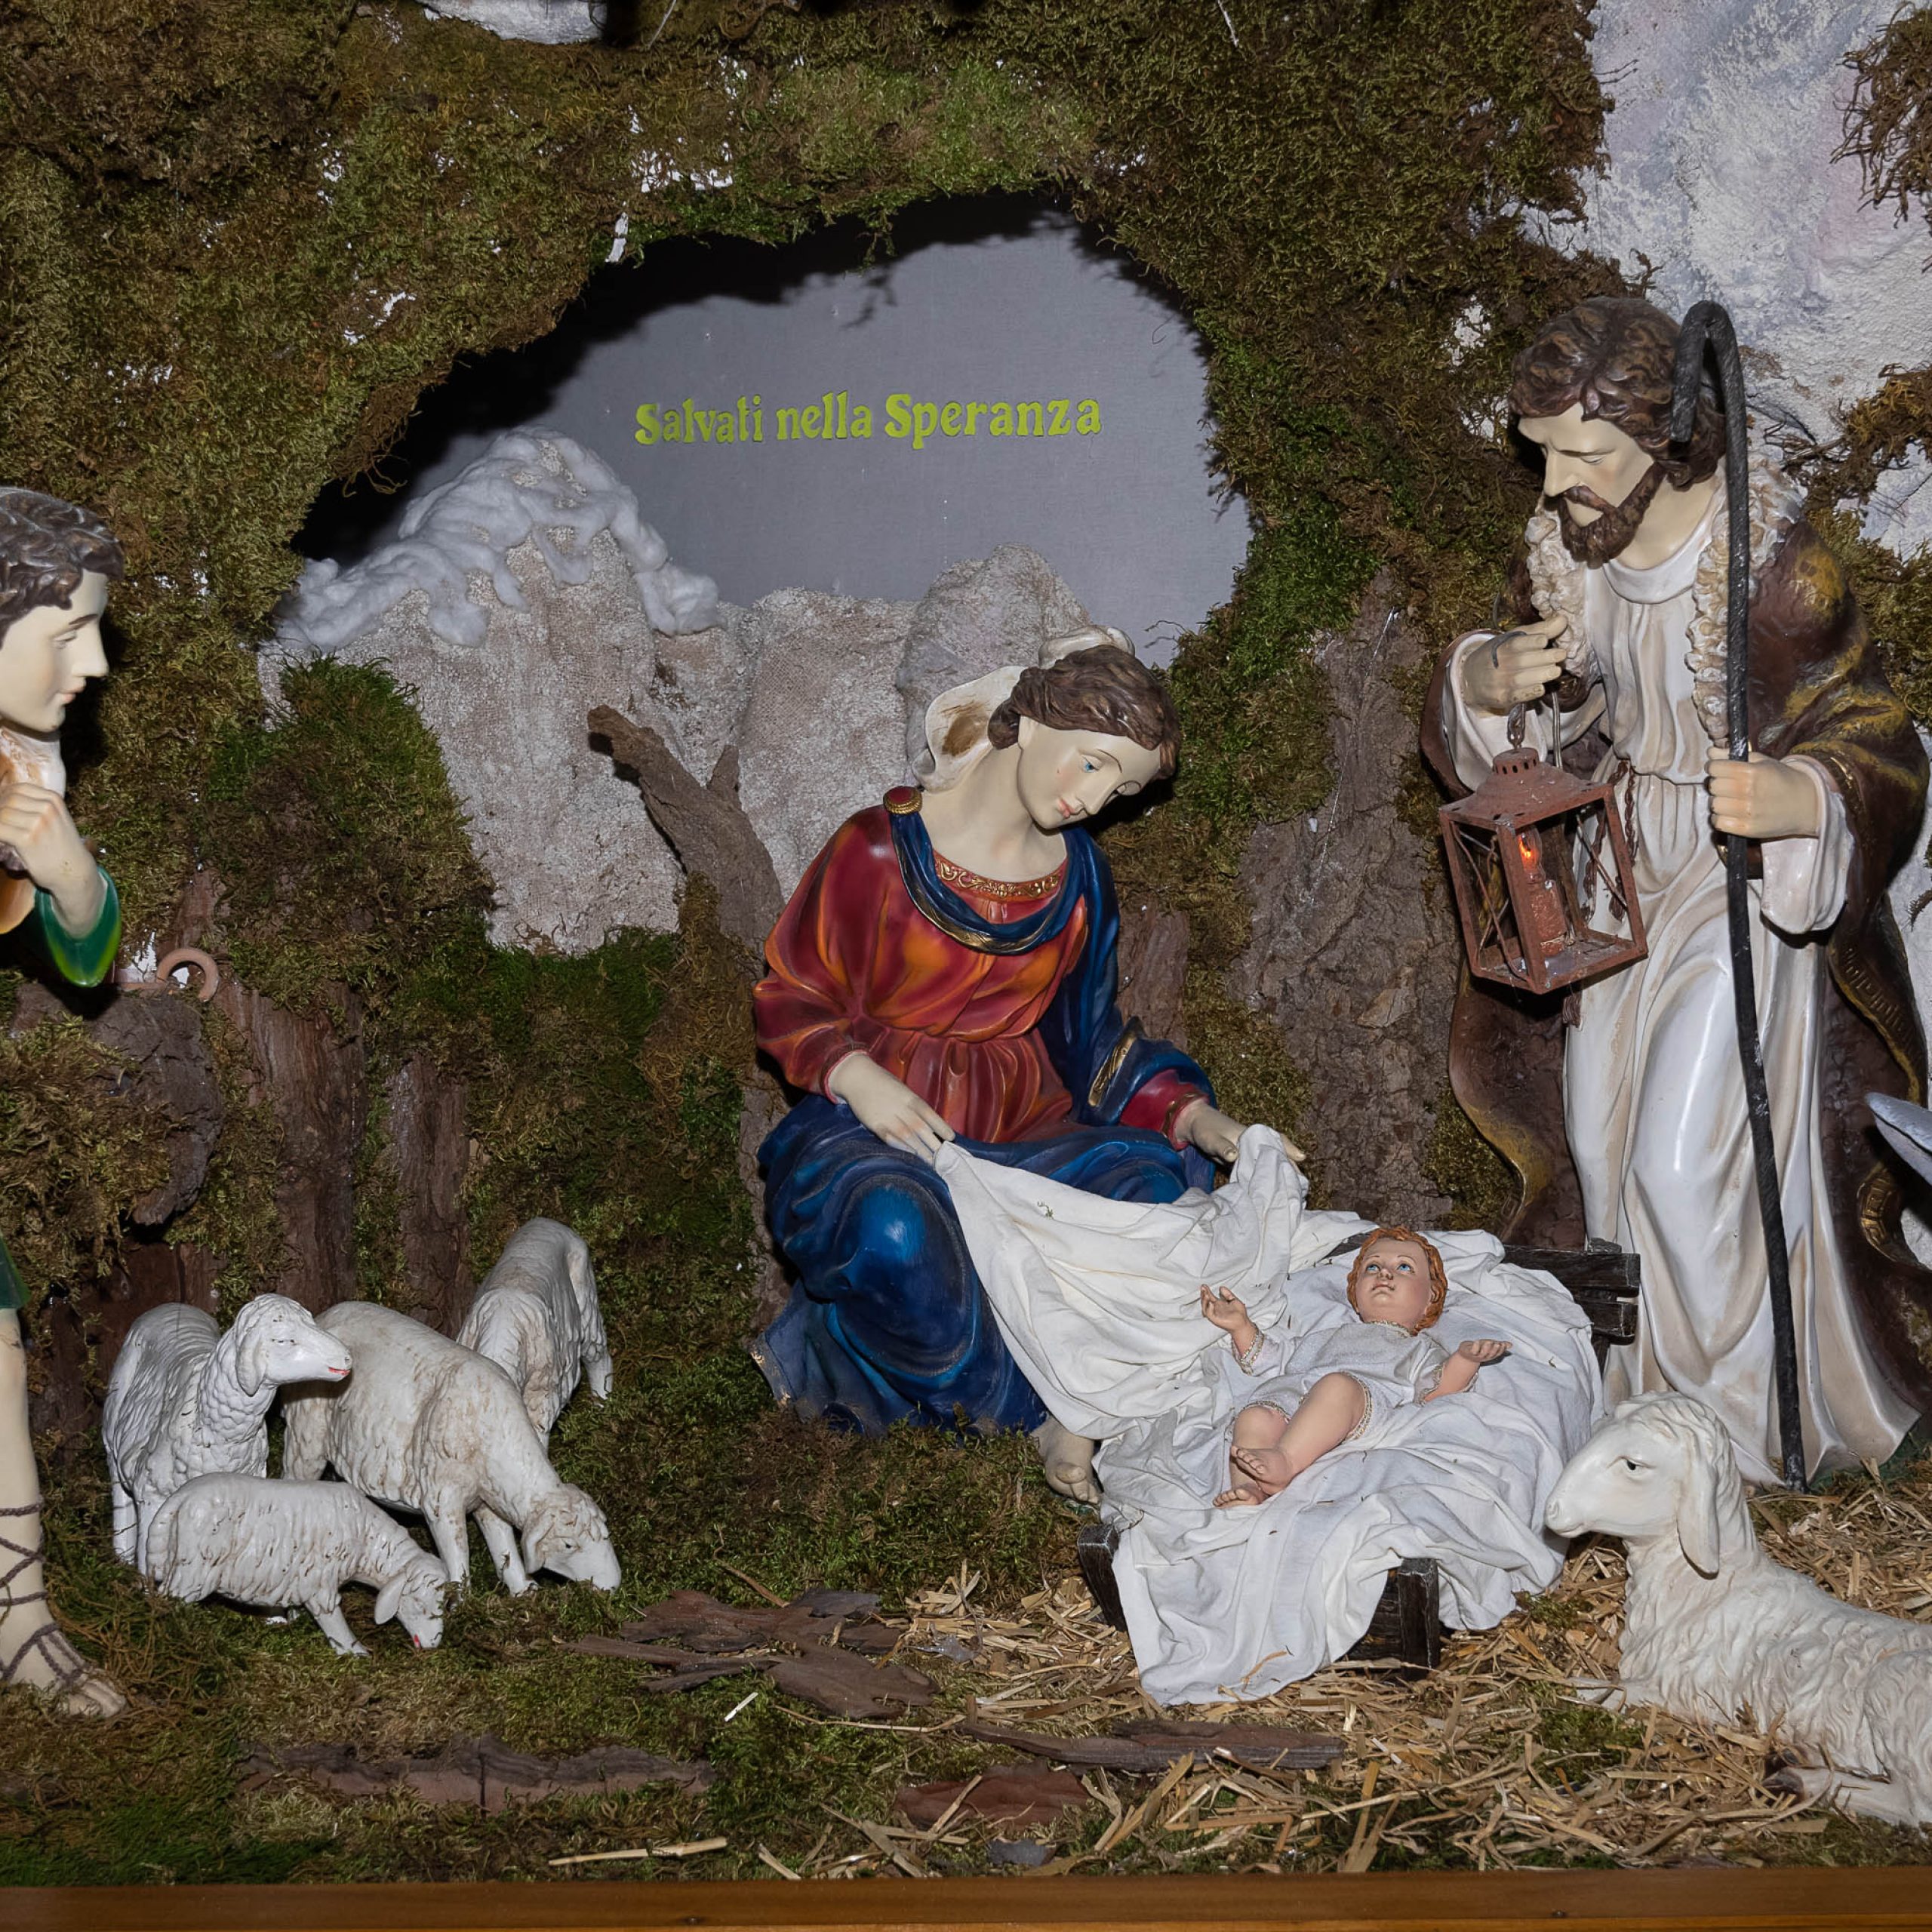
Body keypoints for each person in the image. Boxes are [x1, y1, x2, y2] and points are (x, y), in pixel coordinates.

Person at [1421, 296, 1930, 1484]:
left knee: (1682, 1161)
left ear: (1671, 442)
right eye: (1545, 455)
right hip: (1616, 869)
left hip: (1739, 885)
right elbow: (1522, 711)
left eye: (1584, 457)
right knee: (1603, 1149)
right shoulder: (1565, 553)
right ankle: (1641, 1408)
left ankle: (1731, 1430)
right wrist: (1487, 682)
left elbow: (1878, 734)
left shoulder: (1774, 570)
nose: (1556, 485)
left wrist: (1801, 794)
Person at [752, 631, 1294, 1498]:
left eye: (1119, 790)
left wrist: (1190, 1113)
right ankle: (1014, 1411)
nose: (1094, 799)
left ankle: (1083, 1405)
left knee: (1154, 1199)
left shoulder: (1078, 879)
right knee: (893, 1231)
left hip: (1025, 1129)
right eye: (1092, 764)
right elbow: (792, 995)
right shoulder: (879, 849)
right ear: (1031, 723)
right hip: (885, 1126)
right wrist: (854, 1074)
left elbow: (1092, 1039)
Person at [0, 488, 127, 1715]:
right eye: (67, 631)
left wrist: (70, 872)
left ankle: (18, 1620)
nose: (91, 666)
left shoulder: (23, 771)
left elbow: (86, 958)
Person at [1201, 1229, 1510, 1506]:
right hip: (1295, 1399)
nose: (1384, 1274)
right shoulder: (1325, 1335)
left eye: (1404, 1267)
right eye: (1372, 1267)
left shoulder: (1418, 1348)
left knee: (1337, 1386)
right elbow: (1271, 1359)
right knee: (1255, 1415)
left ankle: (1286, 1461)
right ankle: (1247, 1488)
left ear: (1430, 1297)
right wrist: (1241, 1326)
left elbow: (1436, 1390)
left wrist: (1465, 1360)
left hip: (1359, 1407)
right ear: (1356, 1295)